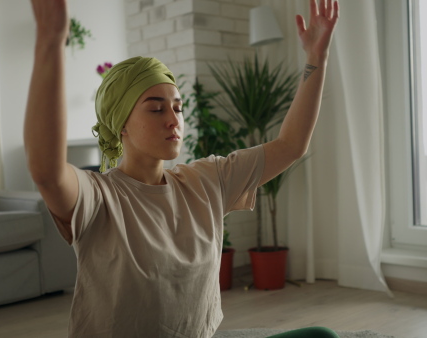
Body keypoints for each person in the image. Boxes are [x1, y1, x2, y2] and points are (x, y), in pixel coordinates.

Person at [24, 0, 339, 337]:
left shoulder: (206, 181)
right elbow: (47, 171)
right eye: (157, 109)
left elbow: (290, 146)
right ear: (121, 125)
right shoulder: (99, 197)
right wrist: (51, 38)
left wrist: (315, 57)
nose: (174, 120)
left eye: (178, 107)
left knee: (321, 336)